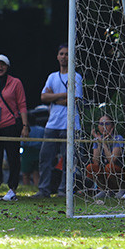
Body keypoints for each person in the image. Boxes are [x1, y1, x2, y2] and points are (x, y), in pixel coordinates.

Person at [37, 45, 83, 198]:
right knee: (45, 158)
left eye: (67, 54)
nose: (64, 57)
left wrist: (54, 97)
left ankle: (65, 190)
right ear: (57, 56)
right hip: (52, 124)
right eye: (61, 54)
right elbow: (43, 97)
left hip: (70, 124)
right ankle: (44, 189)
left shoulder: (76, 77)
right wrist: (64, 95)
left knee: (68, 160)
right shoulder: (52, 77)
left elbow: (75, 99)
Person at [0, 54, 29, 201]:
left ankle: (12, 189)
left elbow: (22, 104)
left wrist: (25, 126)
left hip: (11, 125)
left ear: (7, 67)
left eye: (2, 65)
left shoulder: (16, 83)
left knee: (13, 158)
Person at [85, 114, 124, 199]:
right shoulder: (98, 140)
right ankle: (105, 190)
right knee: (90, 167)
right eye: (101, 124)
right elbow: (96, 161)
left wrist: (103, 143)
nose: (104, 127)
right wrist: (99, 142)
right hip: (104, 172)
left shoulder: (118, 138)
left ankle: (121, 189)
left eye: (107, 124)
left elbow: (112, 160)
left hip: (119, 172)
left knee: (109, 167)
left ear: (112, 126)